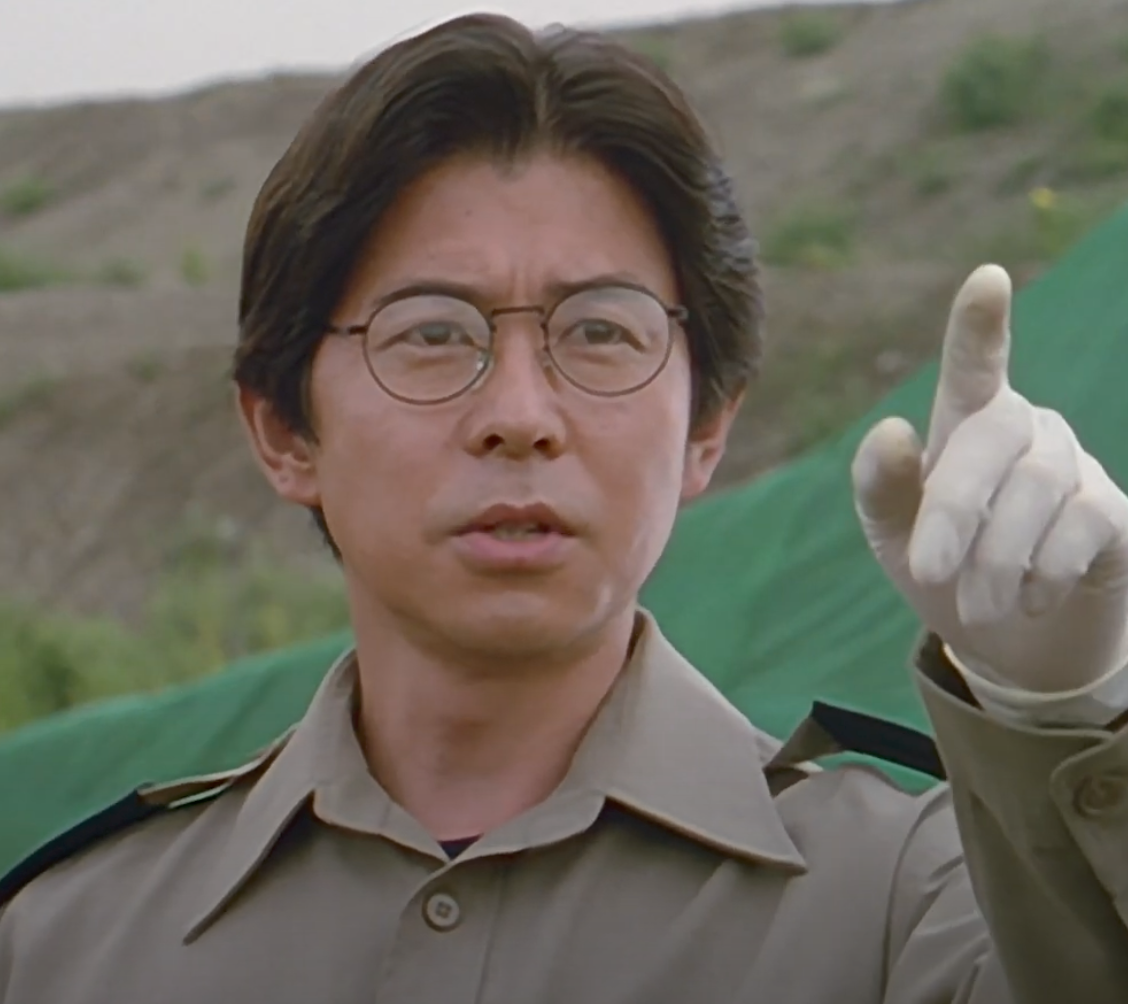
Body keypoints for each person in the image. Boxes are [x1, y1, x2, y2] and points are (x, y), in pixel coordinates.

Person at [3, 13, 1128, 1003]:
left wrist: (1074, 718)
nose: (520, 414)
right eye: (431, 332)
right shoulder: (63, 943)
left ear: (706, 428)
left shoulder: (919, 910)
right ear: (285, 431)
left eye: (600, 331)